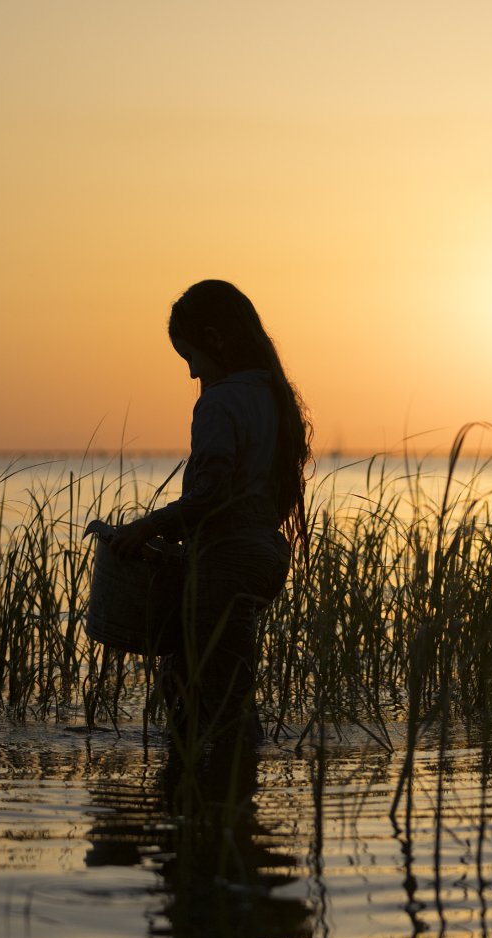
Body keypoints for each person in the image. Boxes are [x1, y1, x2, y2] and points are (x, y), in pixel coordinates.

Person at [102, 280, 311, 797]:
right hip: (264, 556)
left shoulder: (219, 403)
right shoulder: (273, 396)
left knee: (208, 694)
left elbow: (211, 495)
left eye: (190, 356)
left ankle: (213, 816)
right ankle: (222, 805)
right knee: (209, 683)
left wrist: (146, 528)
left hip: (226, 565)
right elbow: (265, 495)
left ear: (215, 340)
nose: (192, 372)